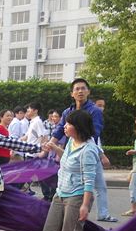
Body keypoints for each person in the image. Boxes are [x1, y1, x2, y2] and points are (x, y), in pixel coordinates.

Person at [49, 78, 118, 223]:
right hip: (71, 151)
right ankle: (66, 209)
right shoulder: (68, 111)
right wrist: (49, 145)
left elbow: (94, 133)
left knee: (96, 183)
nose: (80, 91)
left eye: (83, 88)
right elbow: (59, 130)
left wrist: (100, 154)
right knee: (66, 179)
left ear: (88, 92)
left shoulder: (94, 111)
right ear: (72, 93)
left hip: (87, 152)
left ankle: (102, 213)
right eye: (77, 89)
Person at [40, 109, 99, 231]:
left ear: (78, 127)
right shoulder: (71, 142)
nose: (64, 126)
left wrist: (85, 205)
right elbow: (66, 158)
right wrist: (55, 148)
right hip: (60, 193)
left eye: (68, 124)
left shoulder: (88, 150)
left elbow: (89, 180)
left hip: (77, 197)